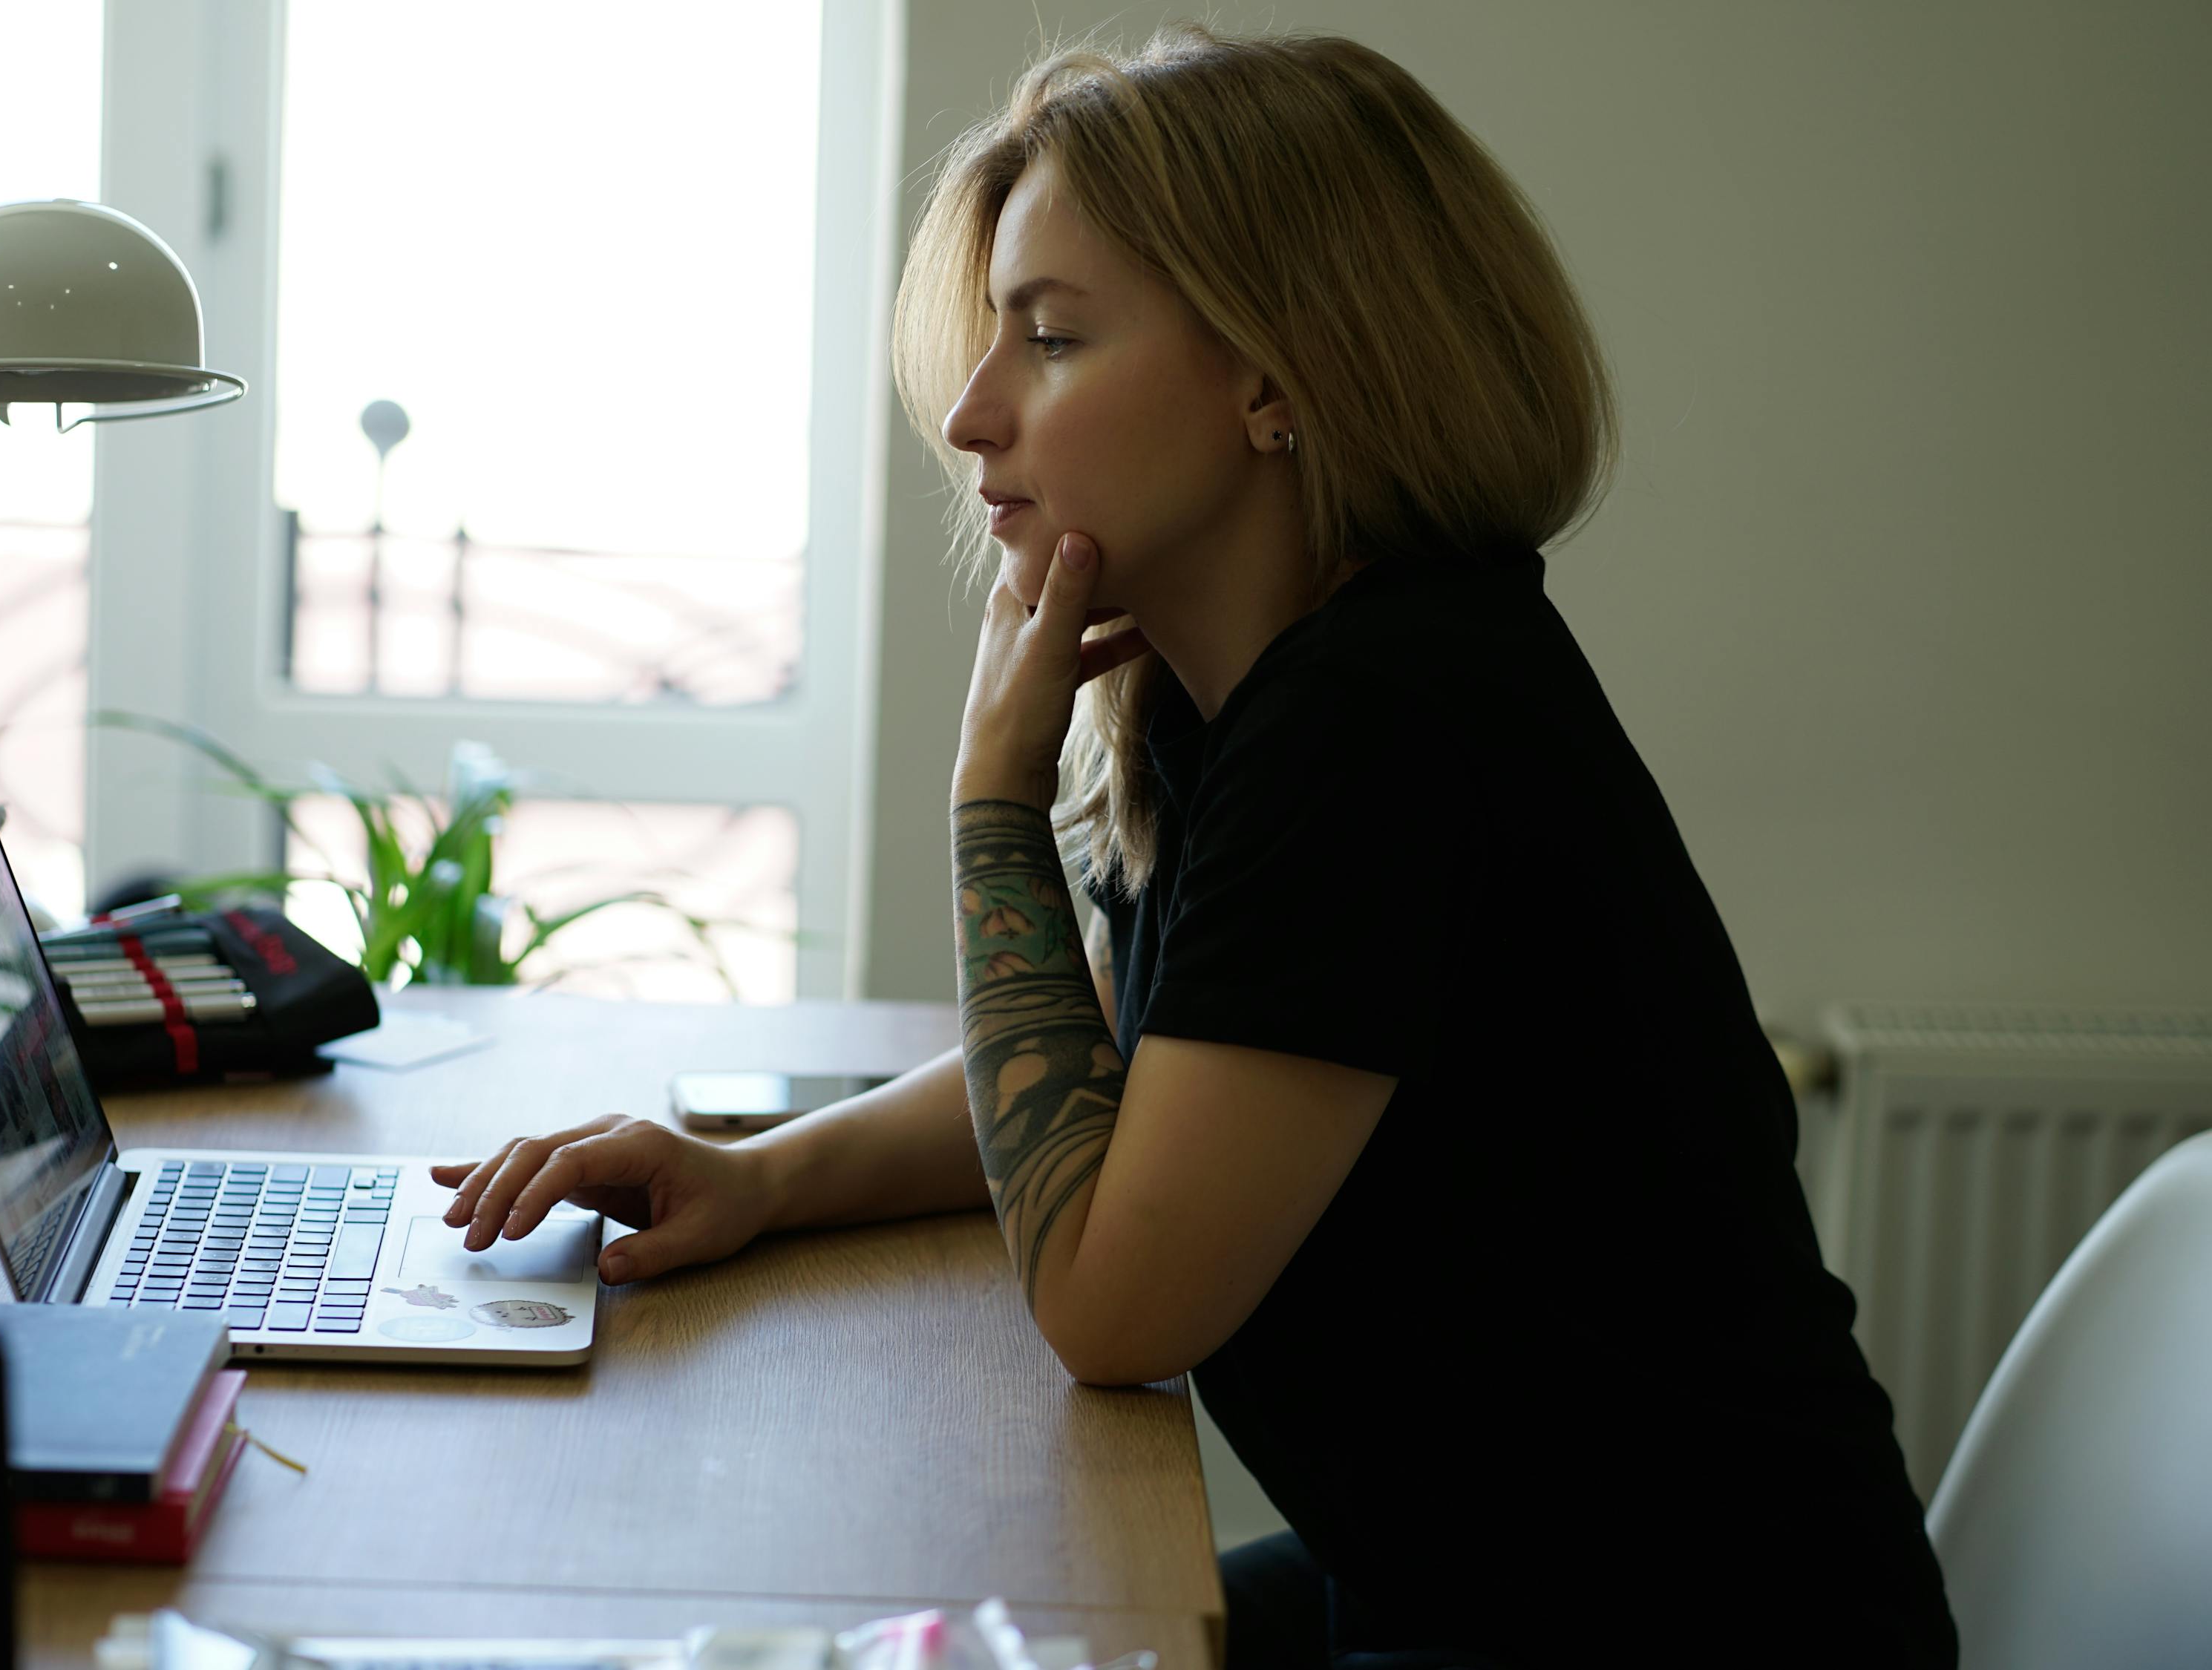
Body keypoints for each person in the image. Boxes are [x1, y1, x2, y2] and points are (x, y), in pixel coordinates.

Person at [433, 22, 1956, 1668]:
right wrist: (757, 1180)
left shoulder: (1385, 719)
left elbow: (1108, 1305)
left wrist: (989, 807)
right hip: (1467, 1581)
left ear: (1271, 376)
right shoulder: (1247, 698)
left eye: (1053, 340)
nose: (967, 415)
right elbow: (1118, 1067)